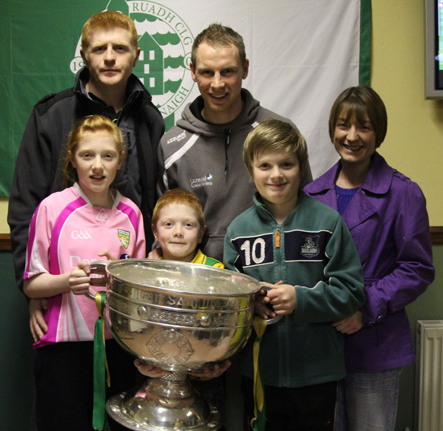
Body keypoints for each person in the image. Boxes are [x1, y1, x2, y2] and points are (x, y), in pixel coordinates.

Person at [7, 10, 164, 341]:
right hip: (64, 295)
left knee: (125, 391)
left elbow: (153, 203)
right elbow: (26, 209)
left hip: (126, 300)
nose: (109, 58)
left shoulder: (150, 119)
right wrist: (34, 290)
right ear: (83, 54)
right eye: (99, 48)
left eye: (120, 48)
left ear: (136, 55)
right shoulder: (51, 116)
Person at [304, 86, 435, 431]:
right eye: (343, 125)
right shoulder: (311, 194)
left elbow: (417, 267)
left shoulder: (403, 192)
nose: (352, 136)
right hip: (321, 346)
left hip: (375, 343)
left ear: (378, 132)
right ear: (332, 128)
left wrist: (365, 308)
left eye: (363, 127)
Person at [223, 119, 365, 431]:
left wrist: (300, 299)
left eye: (286, 164)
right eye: (265, 165)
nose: (276, 175)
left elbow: (352, 292)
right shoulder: (237, 231)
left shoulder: (327, 222)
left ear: (301, 168)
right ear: (250, 171)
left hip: (317, 375)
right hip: (259, 373)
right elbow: (229, 300)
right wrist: (252, 304)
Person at [22, 115, 146, 431]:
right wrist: (67, 281)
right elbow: (32, 284)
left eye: (107, 156)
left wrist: (119, 275)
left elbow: (139, 286)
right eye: (87, 155)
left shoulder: (131, 213)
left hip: (117, 347)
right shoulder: (52, 208)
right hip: (64, 349)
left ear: (121, 161)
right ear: (71, 158)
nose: (97, 166)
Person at [157, 23, 312, 262]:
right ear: (193, 71)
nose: (217, 84)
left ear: (245, 68)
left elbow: (305, 210)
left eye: (227, 71)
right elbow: (163, 223)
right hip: (200, 282)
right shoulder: (173, 146)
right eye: (208, 72)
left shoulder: (279, 133)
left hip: (270, 279)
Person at [134, 188, 231, 418]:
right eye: (168, 225)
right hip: (156, 373)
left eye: (188, 225)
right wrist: (140, 360)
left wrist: (219, 360)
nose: (178, 232)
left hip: (203, 376)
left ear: (201, 234)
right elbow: (139, 325)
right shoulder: (144, 272)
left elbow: (221, 327)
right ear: (155, 232)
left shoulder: (216, 273)